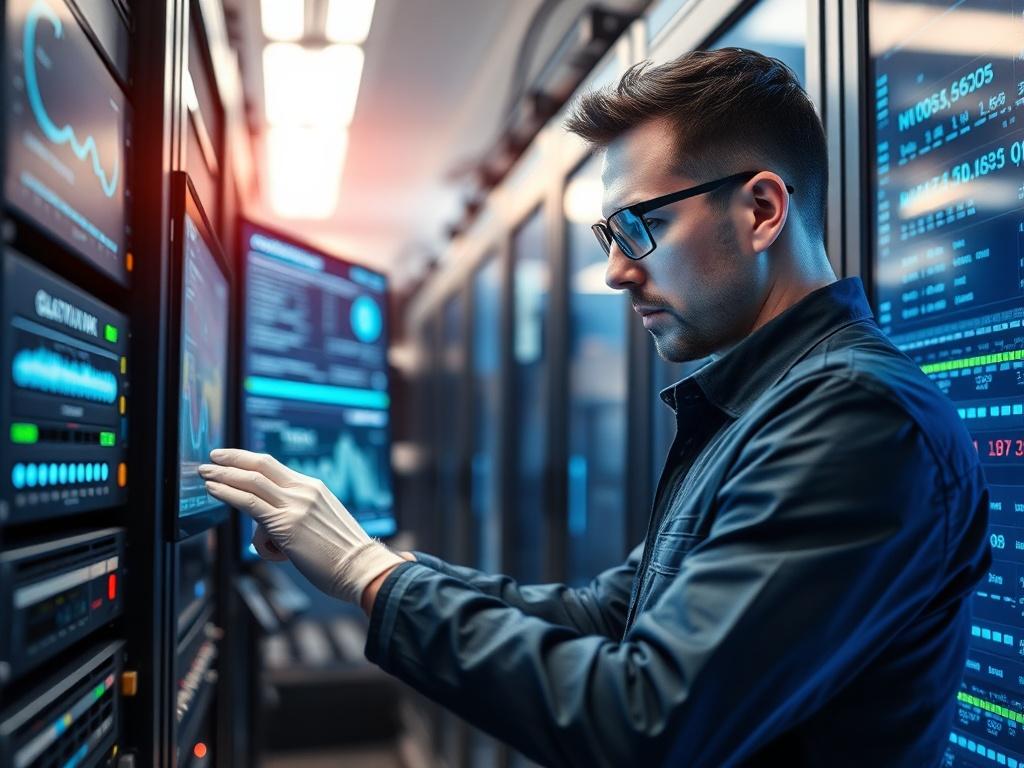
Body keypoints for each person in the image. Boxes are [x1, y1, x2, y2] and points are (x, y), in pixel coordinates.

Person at [199, 48, 991, 767]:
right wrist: (376, 566)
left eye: (640, 227)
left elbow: (647, 720)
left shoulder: (856, 418)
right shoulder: (765, 407)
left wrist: (372, 576)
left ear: (760, 211)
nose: (615, 271)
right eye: (608, 233)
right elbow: (607, 613)